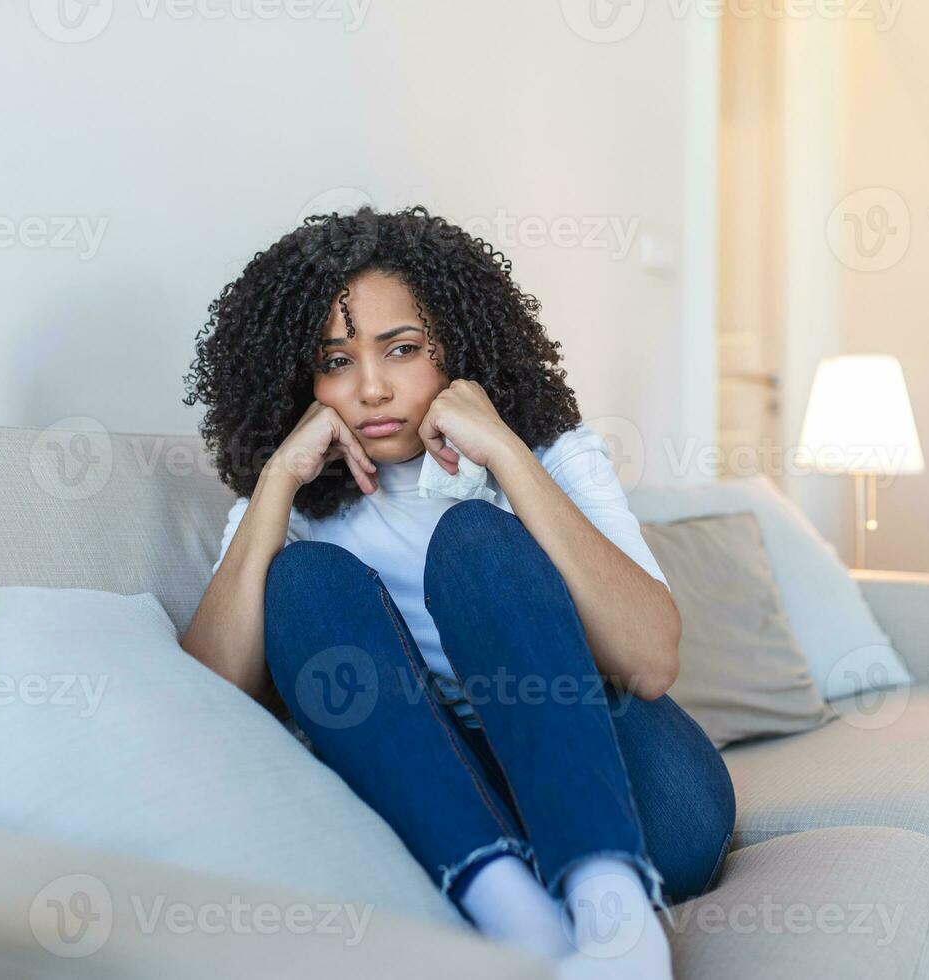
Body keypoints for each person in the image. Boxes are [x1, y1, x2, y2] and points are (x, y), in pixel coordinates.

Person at [181, 205, 734, 979]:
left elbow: (648, 662)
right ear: (300, 380)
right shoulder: (289, 506)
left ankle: (619, 925)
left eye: (401, 350)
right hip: (456, 803)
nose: (371, 388)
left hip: (638, 790)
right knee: (300, 581)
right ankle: (520, 923)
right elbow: (209, 698)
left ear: (458, 350)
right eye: (335, 362)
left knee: (474, 538)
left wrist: (507, 453)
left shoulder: (549, 453)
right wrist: (275, 481)